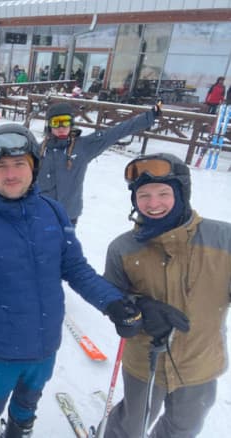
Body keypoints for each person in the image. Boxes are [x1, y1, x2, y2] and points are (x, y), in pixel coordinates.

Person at [0, 123, 143, 438]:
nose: (11, 174)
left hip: (45, 346)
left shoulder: (53, 212)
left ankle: (19, 430)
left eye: (19, 164)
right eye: (1, 167)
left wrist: (112, 302)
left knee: (27, 403)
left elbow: (75, 268)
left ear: (33, 167)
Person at [103, 153, 230, 438]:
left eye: (163, 193)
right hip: (145, 362)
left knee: (183, 428)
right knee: (130, 425)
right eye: (143, 195)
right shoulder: (123, 248)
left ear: (182, 193)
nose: (153, 204)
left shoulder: (223, 239)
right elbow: (109, 296)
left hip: (200, 363)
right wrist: (137, 308)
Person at [36, 100, 161, 225]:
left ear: (71, 123)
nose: (61, 127)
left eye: (65, 122)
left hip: (68, 216)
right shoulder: (39, 151)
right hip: (41, 213)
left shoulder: (84, 147)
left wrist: (148, 117)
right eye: (56, 123)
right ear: (49, 126)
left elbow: (116, 132)